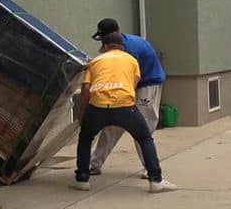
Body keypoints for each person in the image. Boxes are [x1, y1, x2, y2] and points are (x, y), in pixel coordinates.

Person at [72, 33, 176, 193]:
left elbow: (86, 89)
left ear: (105, 47)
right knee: (144, 137)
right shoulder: (132, 60)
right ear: (121, 46)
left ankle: (82, 179)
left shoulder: (94, 62)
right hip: (124, 106)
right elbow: (133, 85)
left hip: (98, 105)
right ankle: (156, 180)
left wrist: (82, 113)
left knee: (85, 137)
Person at [89, 18, 165, 178]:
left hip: (147, 84)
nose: (103, 44)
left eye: (104, 39)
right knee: (111, 126)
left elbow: (130, 79)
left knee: (143, 128)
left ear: (112, 36)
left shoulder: (128, 51)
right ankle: (95, 164)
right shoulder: (118, 46)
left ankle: (149, 167)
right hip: (130, 85)